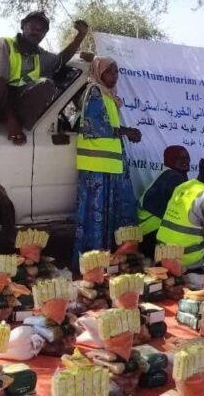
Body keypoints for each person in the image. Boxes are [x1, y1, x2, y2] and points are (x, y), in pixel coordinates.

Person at [0, 11, 89, 147]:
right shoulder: (5, 44)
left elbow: (60, 60)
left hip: (6, 107)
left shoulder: (40, 55)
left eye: (41, 30)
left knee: (46, 84)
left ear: (45, 34)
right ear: (22, 26)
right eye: (32, 27)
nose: (36, 32)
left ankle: (18, 123)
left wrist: (80, 37)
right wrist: (11, 120)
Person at [72, 56, 143, 270]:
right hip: (96, 168)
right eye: (109, 72)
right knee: (95, 219)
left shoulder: (108, 95)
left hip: (109, 165)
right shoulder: (94, 92)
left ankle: (108, 261)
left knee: (109, 216)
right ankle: (91, 264)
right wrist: (126, 131)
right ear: (98, 72)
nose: (114, 76)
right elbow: (94, 126)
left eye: (116, 72)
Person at [138, 145, 191, 256]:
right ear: (170, 159)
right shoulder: (173, 177)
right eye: (179, 158)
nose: (185, 161)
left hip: (147, 232)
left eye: (187, 157)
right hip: (152, 233)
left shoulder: (170, 174)